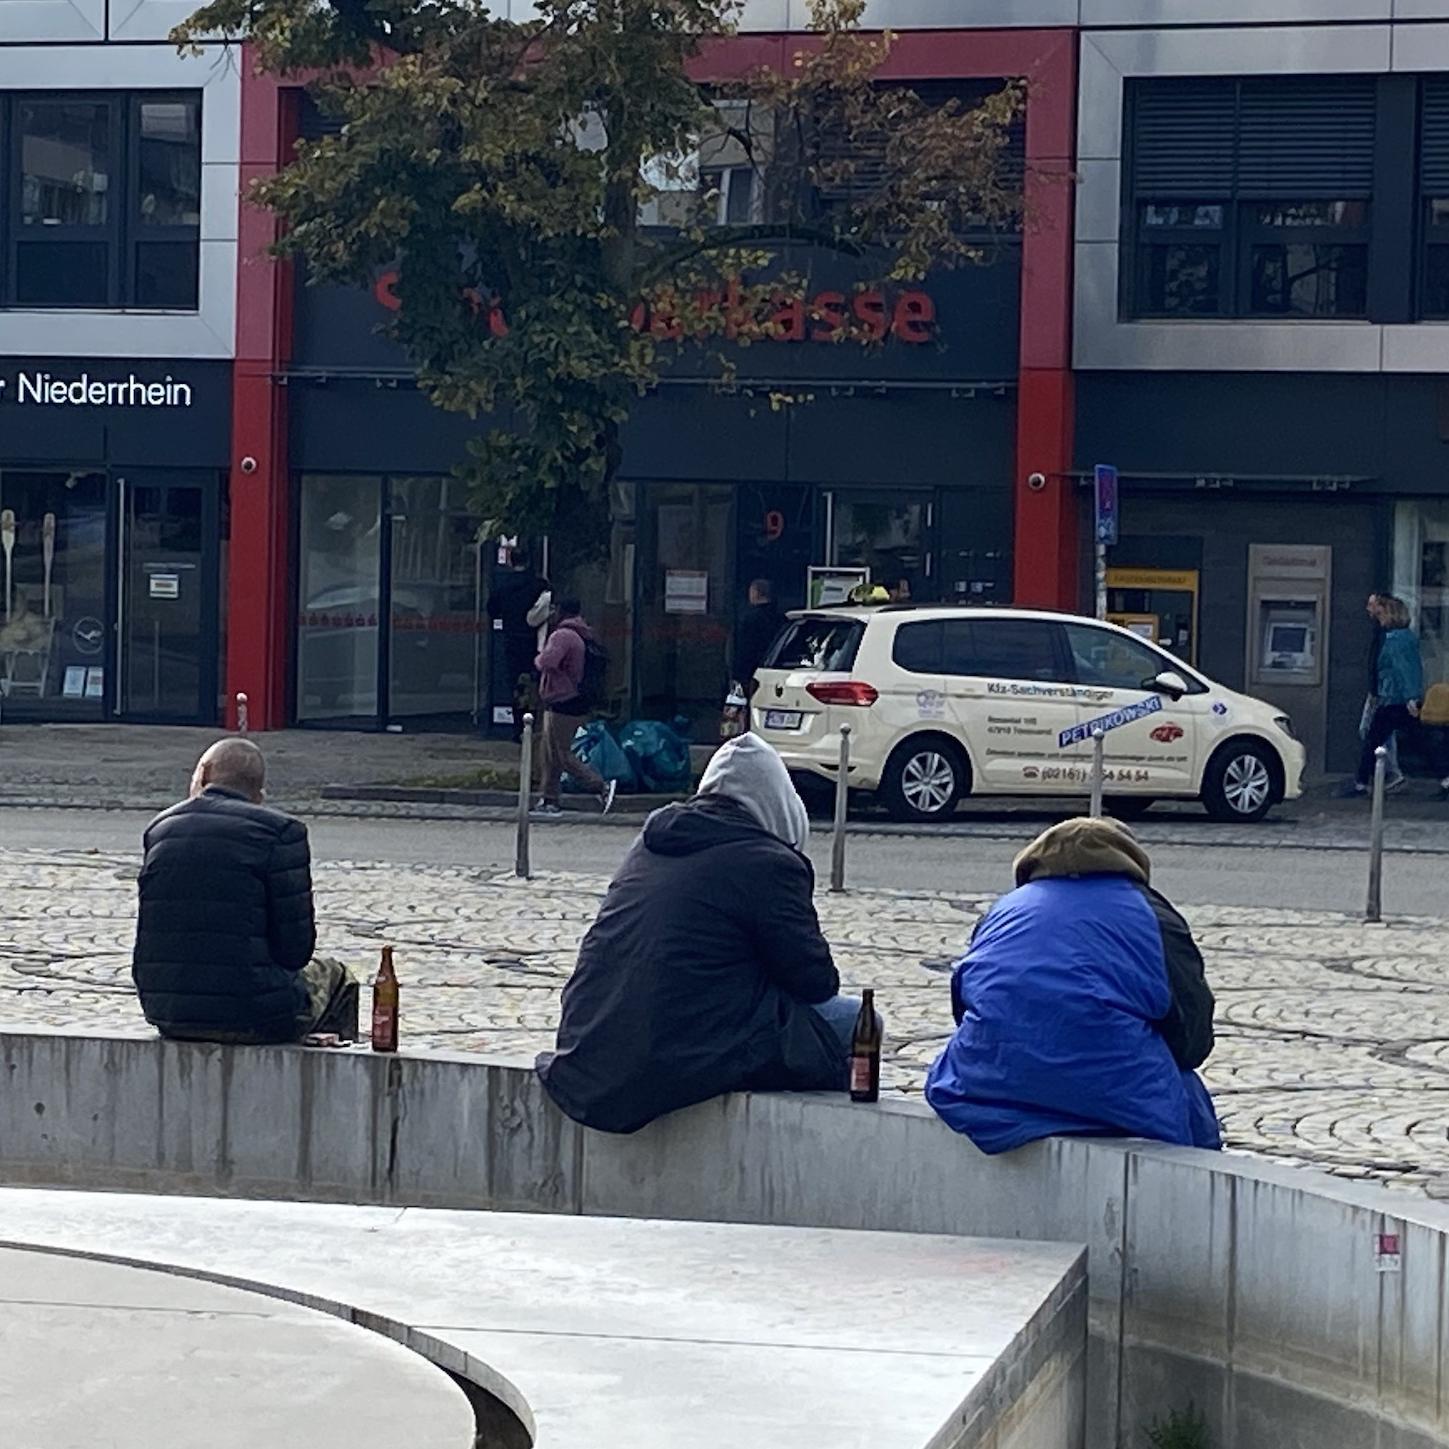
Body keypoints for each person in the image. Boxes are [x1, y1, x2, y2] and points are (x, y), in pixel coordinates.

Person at [536, 732, 874, 1133]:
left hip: (590, 1047)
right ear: (781, 804)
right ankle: (837, 1148)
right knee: (858, 1022)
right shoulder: (768, 863)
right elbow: (816, 982)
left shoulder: (648, 844)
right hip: (675, 1051)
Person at [925, 817, 1220, 1154]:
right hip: (1116, 1100)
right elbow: (1192, 1035)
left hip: (981, 1088)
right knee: (1189, 1098)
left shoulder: (1003, 910)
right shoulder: (1151, 914)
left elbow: (967, 1003)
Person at [131, 739, 358, 1044]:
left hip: (167, 1010)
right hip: (252, 1014)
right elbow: (295, 950)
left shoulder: (160, 829)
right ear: (259, 794)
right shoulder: (280, 832)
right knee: (338, 976)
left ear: (204, 774)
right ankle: (322, 1079)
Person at [534, 596, 616, 817]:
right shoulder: (581, 632)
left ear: (560, 610)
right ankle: (549, 799)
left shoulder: (562, 635)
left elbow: (546, 662)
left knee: (560, 753)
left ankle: (600, 785)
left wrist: (539, 656)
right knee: (550, 753)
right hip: (573, 698)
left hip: (563, 699)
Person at [1343, 595, 1423, 798]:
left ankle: (1362, 782)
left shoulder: (1394, 640)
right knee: (1415, 738)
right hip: (1394, 697)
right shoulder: (1403, 637)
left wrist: (1410, 697)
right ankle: (1442, 776)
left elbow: (1402, 670)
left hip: (1392, 697)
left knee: (1374, 738)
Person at [487, 550, 551, 743]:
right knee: (535, 683)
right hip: (535, 640)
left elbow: (492, 609)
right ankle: (533, 724)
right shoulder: (539, 585)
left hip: (511, 640)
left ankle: (518, 727)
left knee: (515, 683)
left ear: (510, 562)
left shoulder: (503, 586)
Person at [1362, 593, 1403, 789]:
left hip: (1383, 691)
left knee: (1372, 730)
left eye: (1371, 604)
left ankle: (1386, 773)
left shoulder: (1389, 634)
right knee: (1379, 731)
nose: (1368, 608)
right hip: (1380, 689)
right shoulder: (1382, 631)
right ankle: (1386, 772)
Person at [732, 578, 783, 696]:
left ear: (755, 593)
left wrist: (739, 675)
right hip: (776, 670)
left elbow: (745, 649)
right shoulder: (781, 619)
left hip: (753, 672)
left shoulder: (750, 619)